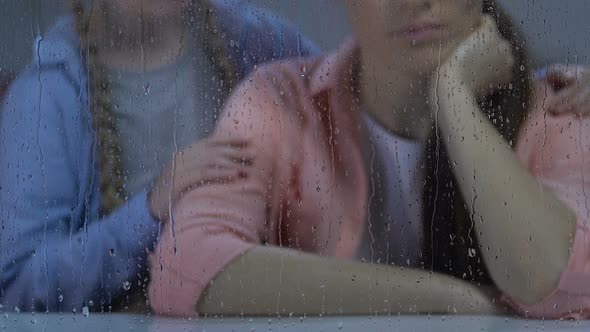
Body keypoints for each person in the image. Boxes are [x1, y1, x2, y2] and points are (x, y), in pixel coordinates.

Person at [149, 0, 590, 319]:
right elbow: (185, 266)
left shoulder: (557, 112)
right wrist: (439, 296)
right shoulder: (277, 100)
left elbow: (559, 281)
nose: (418, 3)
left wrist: (453, 99)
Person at [0, 0, 316, 312]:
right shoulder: (45, 95)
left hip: (259, 307)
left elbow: (347, 99)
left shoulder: (253, 37)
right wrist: (149, 210)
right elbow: (17, 290)